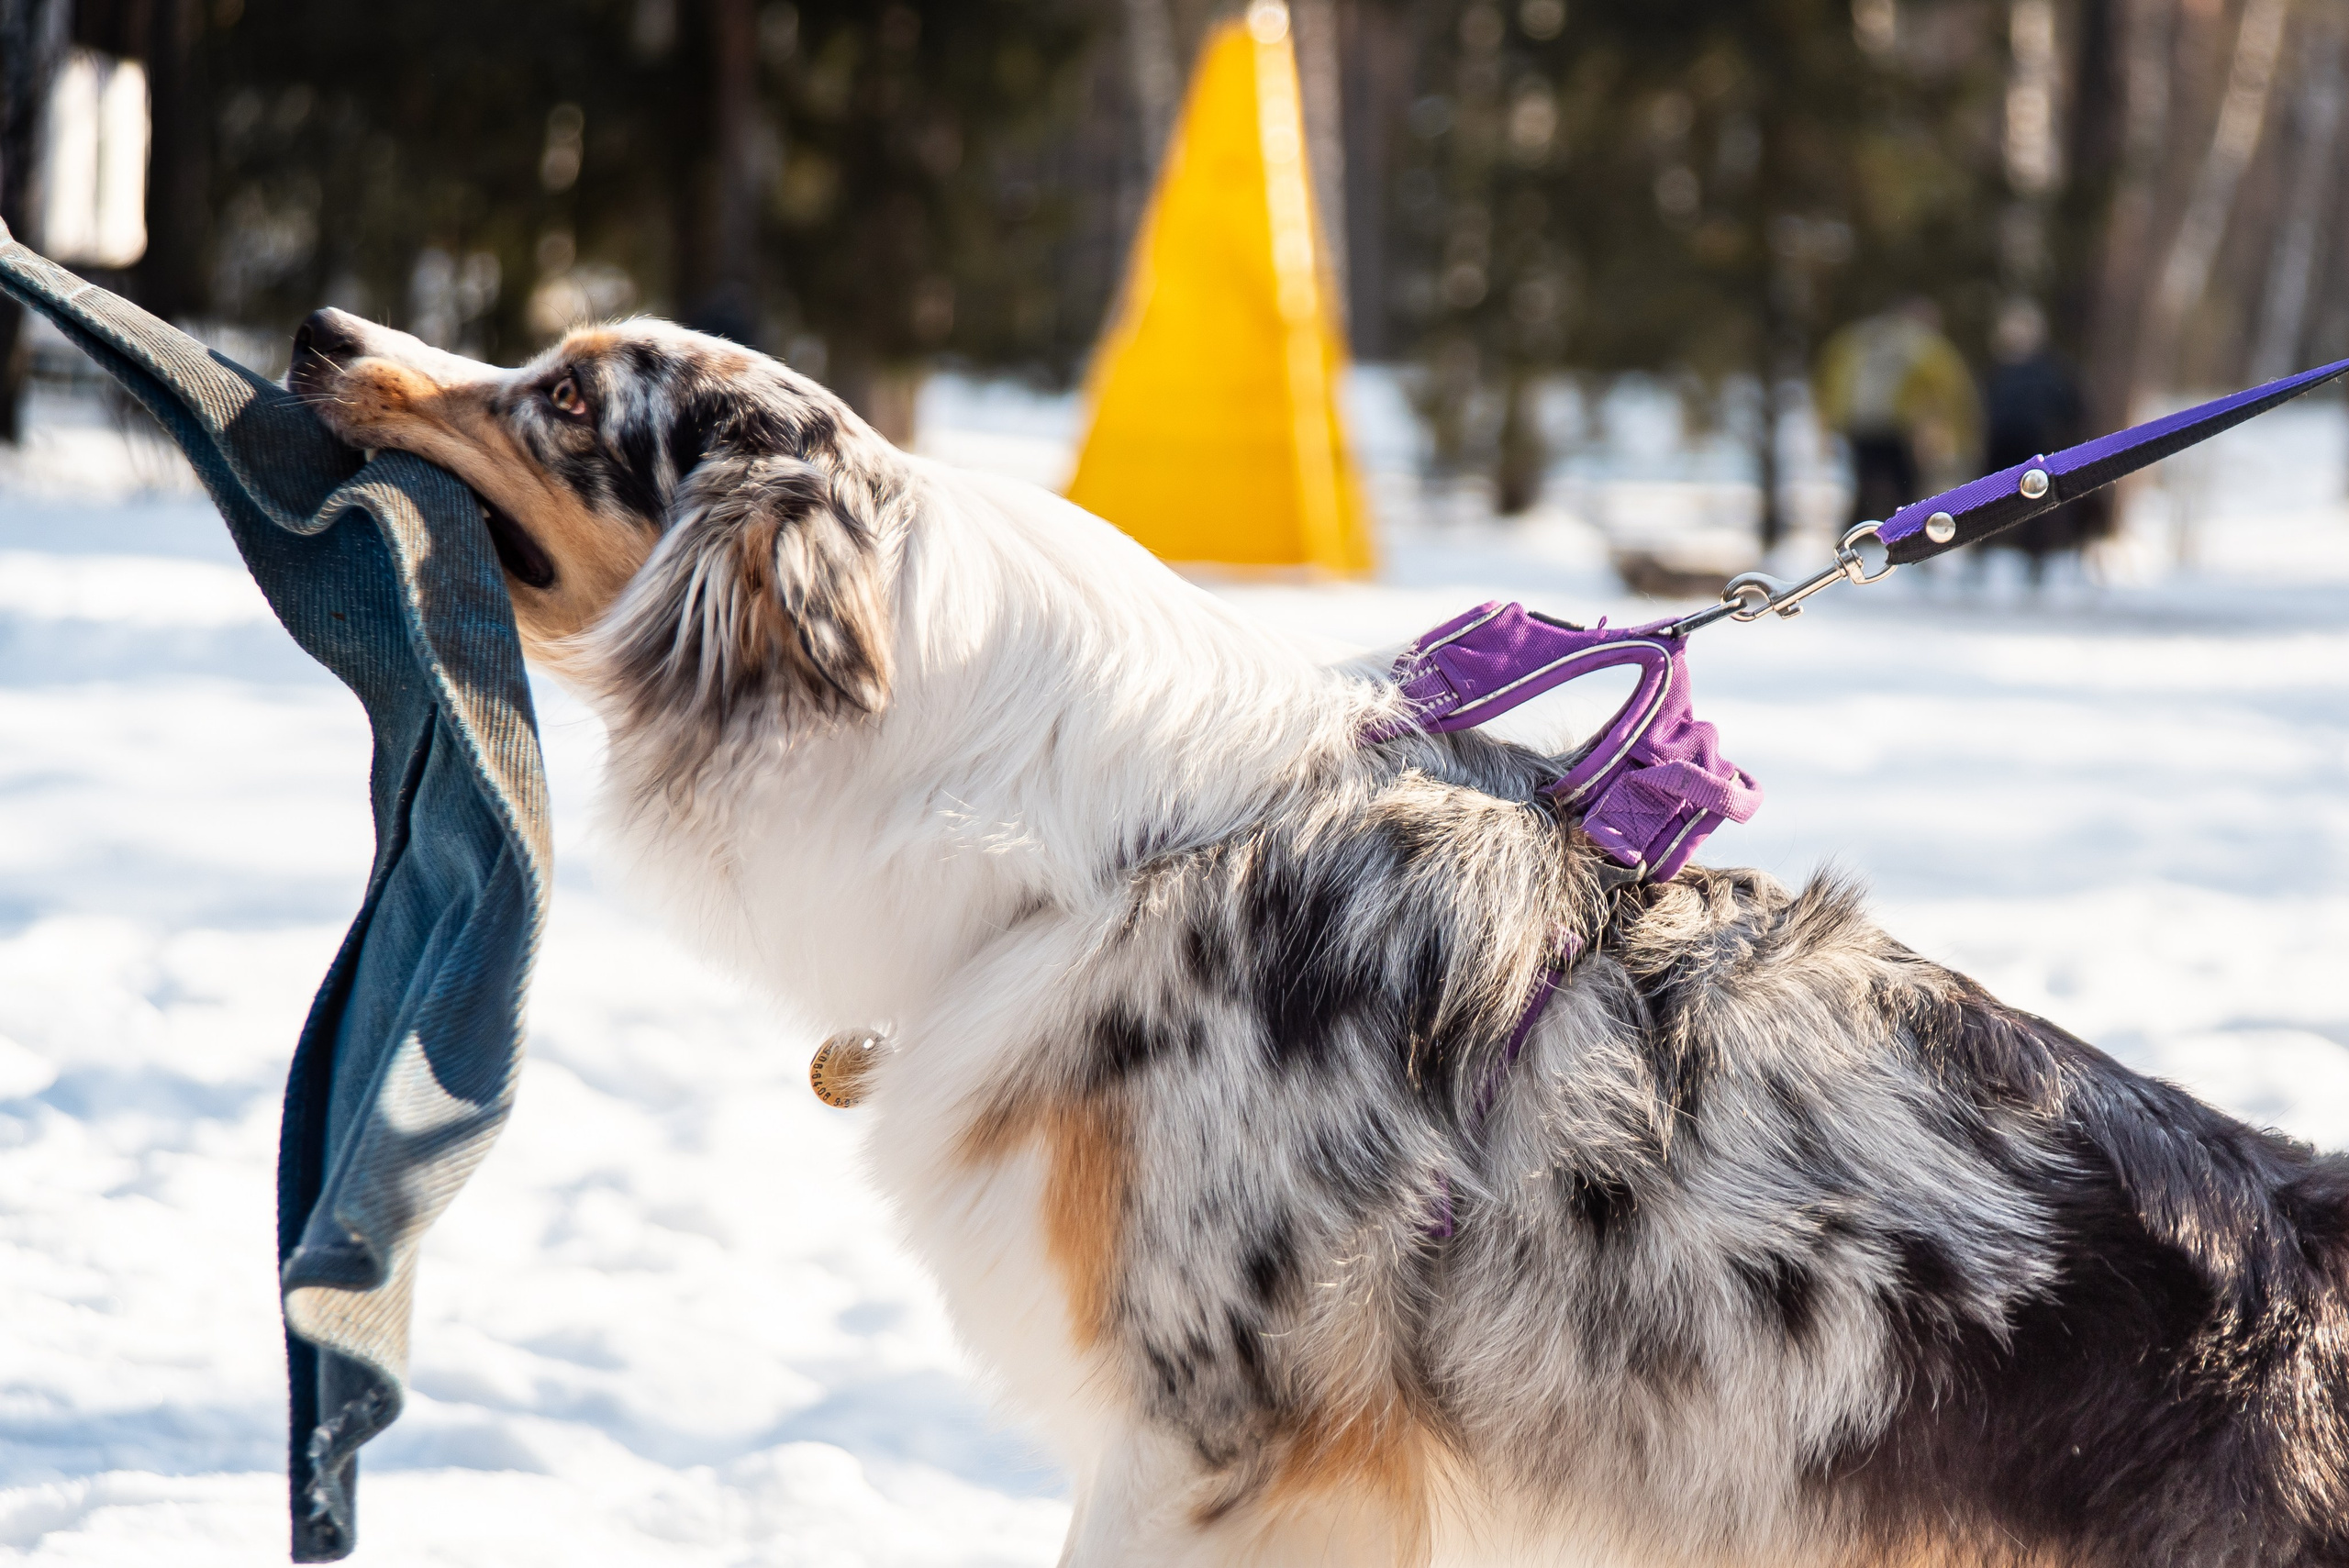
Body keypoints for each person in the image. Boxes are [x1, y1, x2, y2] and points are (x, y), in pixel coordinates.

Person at [1814, 296, 1979, 533]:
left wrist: (1831, 423)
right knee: (1906, 483)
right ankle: (1910, 535)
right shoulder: (1921, 344)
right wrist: (1958, 435)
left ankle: (1855, 537)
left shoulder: (1858, 339)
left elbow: (1831, 378)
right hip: (1896, 425)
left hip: (1860, 424)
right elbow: (1950, 390)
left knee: (1865, 482)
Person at [1978, 297, 2112, 582]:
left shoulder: (2053, 370)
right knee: (1987, 503)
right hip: (2003, 445)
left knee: (2043, 506)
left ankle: (2040, 562)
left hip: (2041, 447)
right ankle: (1981, 558)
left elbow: (2076, 410)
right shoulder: (2001, 372)